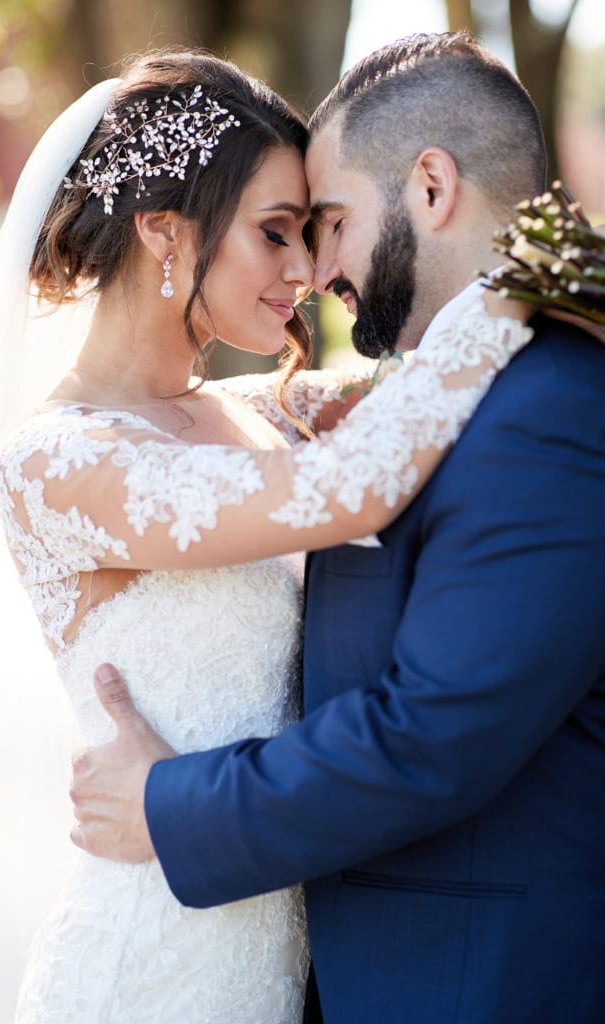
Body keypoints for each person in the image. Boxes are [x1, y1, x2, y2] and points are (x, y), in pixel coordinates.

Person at [68, 33, 605, 1024]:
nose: (314, 270)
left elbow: (432, 736)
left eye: (326, 224)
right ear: (167, 233)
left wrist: (167, 803)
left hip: (471, 984)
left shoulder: (546, 399)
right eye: (281, 232)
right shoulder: (403, 401)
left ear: (431, 188)